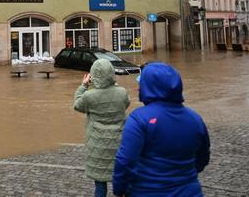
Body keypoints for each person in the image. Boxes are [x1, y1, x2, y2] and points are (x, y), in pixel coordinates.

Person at [112, 62, 210, 196]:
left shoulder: (138, 119)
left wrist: (119, 189)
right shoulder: (195, 119)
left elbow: (125, 161)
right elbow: (203, 158)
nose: (138, 89)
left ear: (149, 87)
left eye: (142, 84)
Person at [74, 59, 131, 197]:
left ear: (93, 76)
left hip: (97, 145)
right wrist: (113, 83)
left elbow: (77, 104)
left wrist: (83, 85)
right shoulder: (122, 92)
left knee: (100, 184)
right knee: (122, 181)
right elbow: (126, 103)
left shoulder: (89, 96)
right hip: (119, 142)